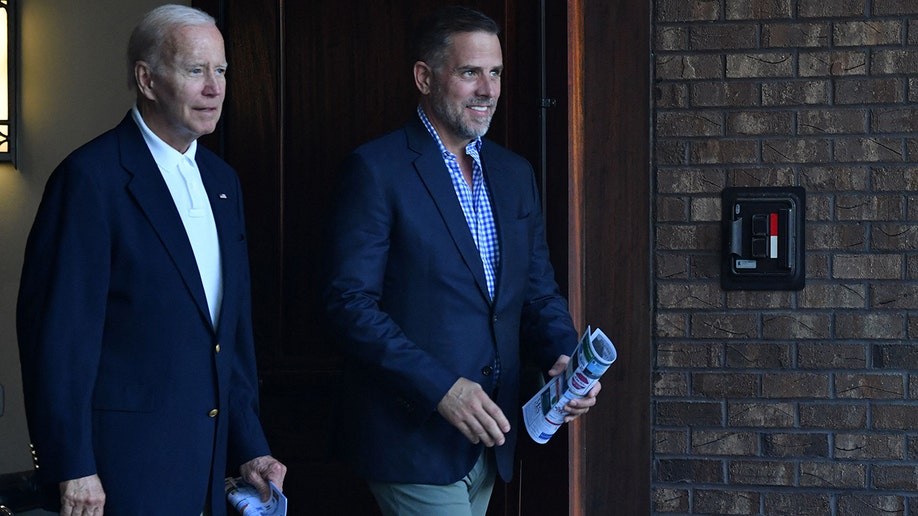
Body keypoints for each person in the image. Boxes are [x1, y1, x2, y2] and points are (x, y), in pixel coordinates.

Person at [323, 6, 601, 515]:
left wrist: (565, 357)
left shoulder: (514, 173)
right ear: (424, 77)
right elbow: (348, 306)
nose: (488, 89)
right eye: (470, 72)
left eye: (495, 72)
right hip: (411, 439)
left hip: (492, 442)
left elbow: (537, 292)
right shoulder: (376, 169)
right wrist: (441, 389)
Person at [16, 5, 286, 515]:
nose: (215, 88)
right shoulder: (90, 179)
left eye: (222, 70)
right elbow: (58, 339)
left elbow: (231, 335)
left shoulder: (223, 182)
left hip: (206, 468)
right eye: (195, 70)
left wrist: (250, 444)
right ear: (147, 79)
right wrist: (71, 464)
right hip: (119, 470)